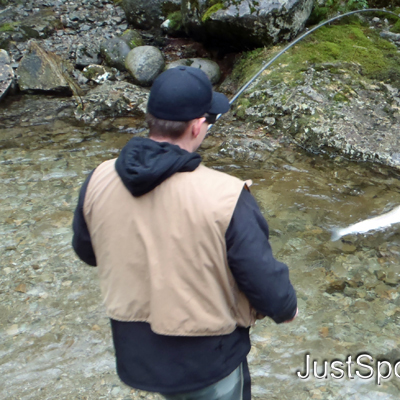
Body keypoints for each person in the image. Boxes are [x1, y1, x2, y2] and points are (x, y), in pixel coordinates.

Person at [72, 66, 298, 400]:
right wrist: (287, 310)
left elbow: (87, 252)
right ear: (196, 126)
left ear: (151, 118)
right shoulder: (227, 196)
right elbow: (265, 282)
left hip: (139, 358)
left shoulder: (98, 179)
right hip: (207, 364)